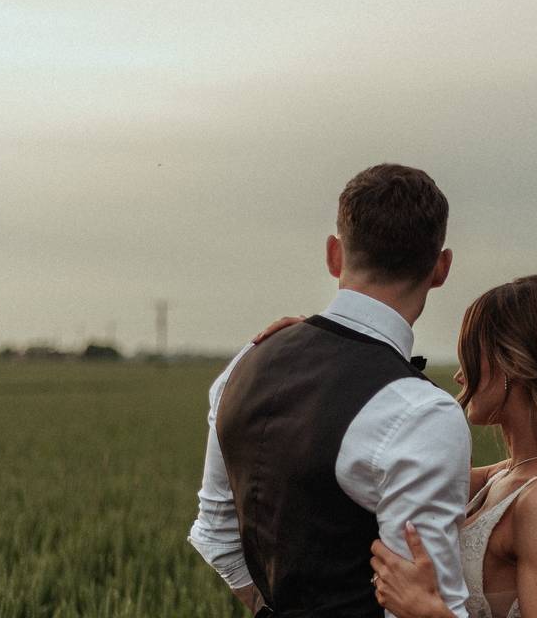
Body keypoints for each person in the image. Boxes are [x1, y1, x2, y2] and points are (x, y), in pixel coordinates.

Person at [187, 164, 472, 617]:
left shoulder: (247, 361)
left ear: (334, 254)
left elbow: (215, 534)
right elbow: (423, 607)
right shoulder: (422, 414)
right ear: (441, 268)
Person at [260, 275, 537, 618]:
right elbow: (390, 474)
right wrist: (314, 344)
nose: (461, 375)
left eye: (471, 355)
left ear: (513, 365)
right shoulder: (504, 476)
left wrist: (429, 614)